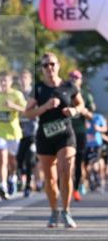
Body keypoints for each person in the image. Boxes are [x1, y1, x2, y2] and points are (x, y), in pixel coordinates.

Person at [24, 51, 83, 228]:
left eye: (52, 64)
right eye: (45, 65)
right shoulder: (39, 89)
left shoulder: (69, 86)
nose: (49, 68)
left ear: (58, 66)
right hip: (45, 135)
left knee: (66, 170)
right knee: (50, 179)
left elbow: (80, 104)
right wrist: (45, 107)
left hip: (65, 134)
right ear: (42, 69)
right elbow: (27, 113)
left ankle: (66, 211)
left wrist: (74, 111)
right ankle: (53, 211)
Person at [0, 71, 26, 200]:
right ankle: (3, 184)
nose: (3, 83)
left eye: (6, 81)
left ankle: (13, 176)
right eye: (1, 81)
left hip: (14, 132)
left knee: (13, 161)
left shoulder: (16, 94)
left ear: (11, 82)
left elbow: (26, 110)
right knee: (2, 159)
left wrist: (13, 106)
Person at [67, 69, 96, 201]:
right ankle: (66, 186)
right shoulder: (64, 92)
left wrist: (83, 110)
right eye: (71, 77)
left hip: (80, 131)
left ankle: (76, 188)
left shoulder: (85, 95)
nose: (73, 79)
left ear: (80, 80)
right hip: (66, 131)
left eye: (76, 77)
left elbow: (91, 117)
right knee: (67, 161)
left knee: (79, 162)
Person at [16, 69, 37, 197]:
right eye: (21, 78)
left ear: (30, 80)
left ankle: (28, 184)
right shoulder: (16, 95)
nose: (23, 81)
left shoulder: (34, 94)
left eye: (25, 78)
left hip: (32, 131)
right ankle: (19, 179)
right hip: (18, 132)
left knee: (30, 158)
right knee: (18, 159)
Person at [85, 110, 107, 192]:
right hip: (86, 145)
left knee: (95, 164)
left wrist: (98, 128)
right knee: (87, 166)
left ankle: (100, 181)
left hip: (97, 145)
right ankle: (92, 181)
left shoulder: (98, 117)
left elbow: (105, 128)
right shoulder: (82, 118)